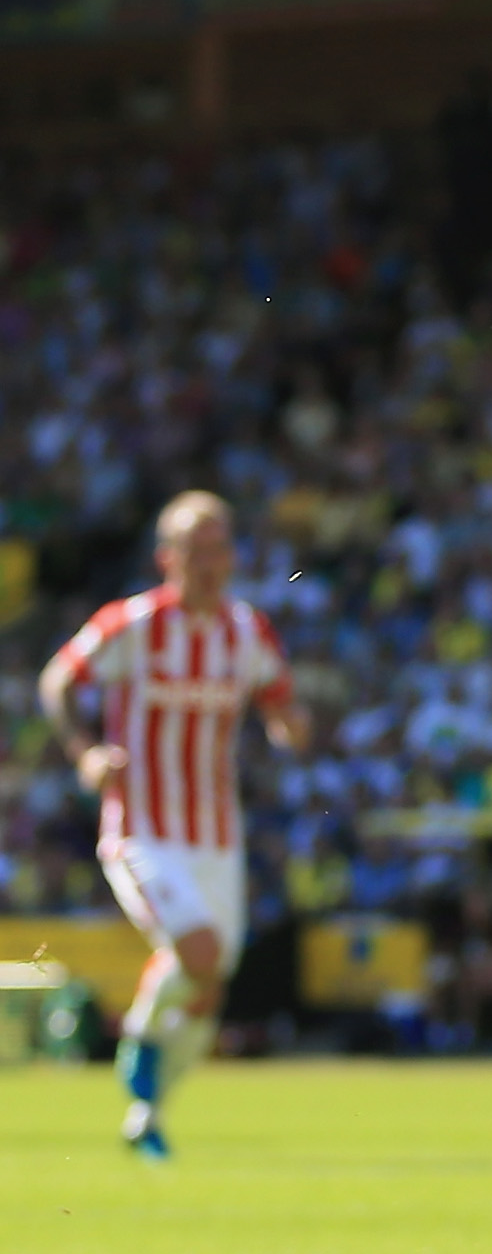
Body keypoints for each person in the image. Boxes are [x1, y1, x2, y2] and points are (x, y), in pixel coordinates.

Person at [38, 490, 302, 1158]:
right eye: (198, 549)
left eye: (221, 548)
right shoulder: (133, 624)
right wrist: (87, 751)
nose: (212, 563)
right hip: (141, 828)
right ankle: (140, 1047)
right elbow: (59, 682)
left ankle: (147, 1114)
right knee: (200, 954)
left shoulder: (247, 632)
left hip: (216, 834)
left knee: (210, 986)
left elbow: (279, 699)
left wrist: (288, 725)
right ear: (168, 557)